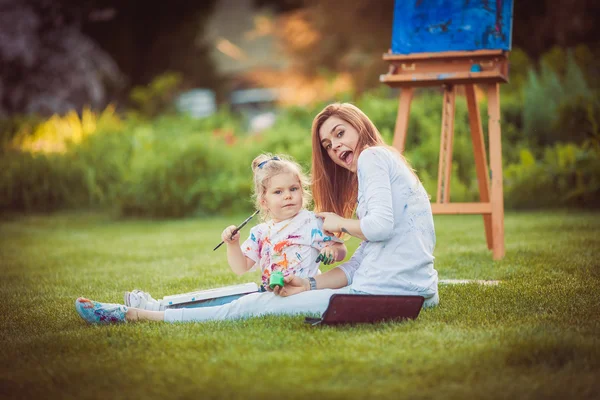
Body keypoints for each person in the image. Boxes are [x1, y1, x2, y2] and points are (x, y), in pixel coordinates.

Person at [75, 103, 438, 325]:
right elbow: (362, 262)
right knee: (254, 295)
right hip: (397, 288)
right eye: (328, 144)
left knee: (254, 305)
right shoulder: (379, 164)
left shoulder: (373, 157)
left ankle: (140, 315)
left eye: (341, 133)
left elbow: (379, 228)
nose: (336, 146)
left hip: (388, 293)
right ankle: (156, 306)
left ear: (361, 127)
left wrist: (338, 223)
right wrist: (309, 284)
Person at [123, 153, 346, 310]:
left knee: (231, 304)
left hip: (300, 295)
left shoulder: (312, 223)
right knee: (227, 296)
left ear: (302, 191)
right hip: (269, 295)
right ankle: (159, 305)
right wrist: (232, 245)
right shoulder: (261, 232)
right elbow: (241, 267)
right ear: (264, 201)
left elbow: (340, 247)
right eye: (278, 192)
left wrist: (332, 250)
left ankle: (157, 308)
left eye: (293, 189)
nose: (288, 195)